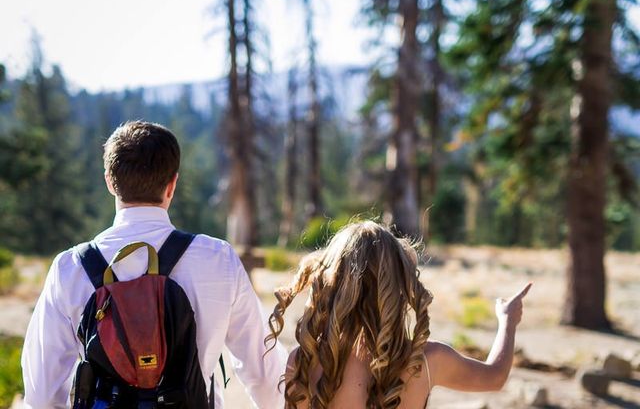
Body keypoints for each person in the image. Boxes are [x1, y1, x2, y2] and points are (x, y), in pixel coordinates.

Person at [22, 120, 287, 408]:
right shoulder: (217, 259)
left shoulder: (70, 268)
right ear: (172, 184)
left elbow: (42, 394)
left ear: (110, 182)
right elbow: (263, 373)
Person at [266, 220, 532, 409]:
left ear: (332, 287)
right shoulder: (427, 360)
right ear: (399, 289)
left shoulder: (303, 363)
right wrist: (507, 320)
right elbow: (495, 377)